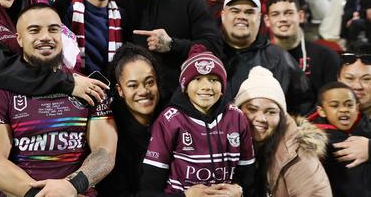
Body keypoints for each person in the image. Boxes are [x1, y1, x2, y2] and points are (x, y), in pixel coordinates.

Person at [0, 4, 117, 196]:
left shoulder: (88, 86)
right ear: (19, 39)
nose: (45, 37)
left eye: (53, 29)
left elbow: (105, 152)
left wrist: (72, 186)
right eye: (34, 30)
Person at [113, 0, 223, 102]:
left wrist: (172, 45)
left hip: (181, 103)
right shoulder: (120, 4)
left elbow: (214, 46)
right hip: (134, 103)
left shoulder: (191, 1)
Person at [139, 45, 255, 196]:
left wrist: (239, 190)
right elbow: (149, 188)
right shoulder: (169, 120)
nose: (206, 86)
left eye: (213, 80)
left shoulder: (237, 117)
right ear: (185, 87)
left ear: (222, 88)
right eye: (197, 79)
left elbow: (248, 177)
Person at [234, 66, 332, 197]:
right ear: (238, 110)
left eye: (271, 112)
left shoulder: (297, 152)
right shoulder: (221, 143)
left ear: (282, 117)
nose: (261, 118)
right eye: (252, 109)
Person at [220, 0, 311, 115]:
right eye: (235, 11)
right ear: (223, 15)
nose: (241, 16)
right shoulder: (208, 54)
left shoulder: (278, 57)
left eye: (249, 12)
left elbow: (303, 102)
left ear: (259, 18)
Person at [96, 43, 164, 196]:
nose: (144, 91)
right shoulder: (111, 134)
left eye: (149, 82)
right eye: (133, 85)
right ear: (120, 90)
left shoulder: (172, 116)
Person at [264, 0, 340, 110]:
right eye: (275, 14)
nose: (283, 19)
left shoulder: (326, 56)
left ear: (301, 16)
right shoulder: (259, 58)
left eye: (289, 13)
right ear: (267, 21)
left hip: (316, 125)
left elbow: (334, 102)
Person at [308, 82, 371, 197]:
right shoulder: (326, 143)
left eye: (349, 105)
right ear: (321, 111)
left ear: (357, 108)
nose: (344, 110)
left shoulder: (363, 130)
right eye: (335, 105)